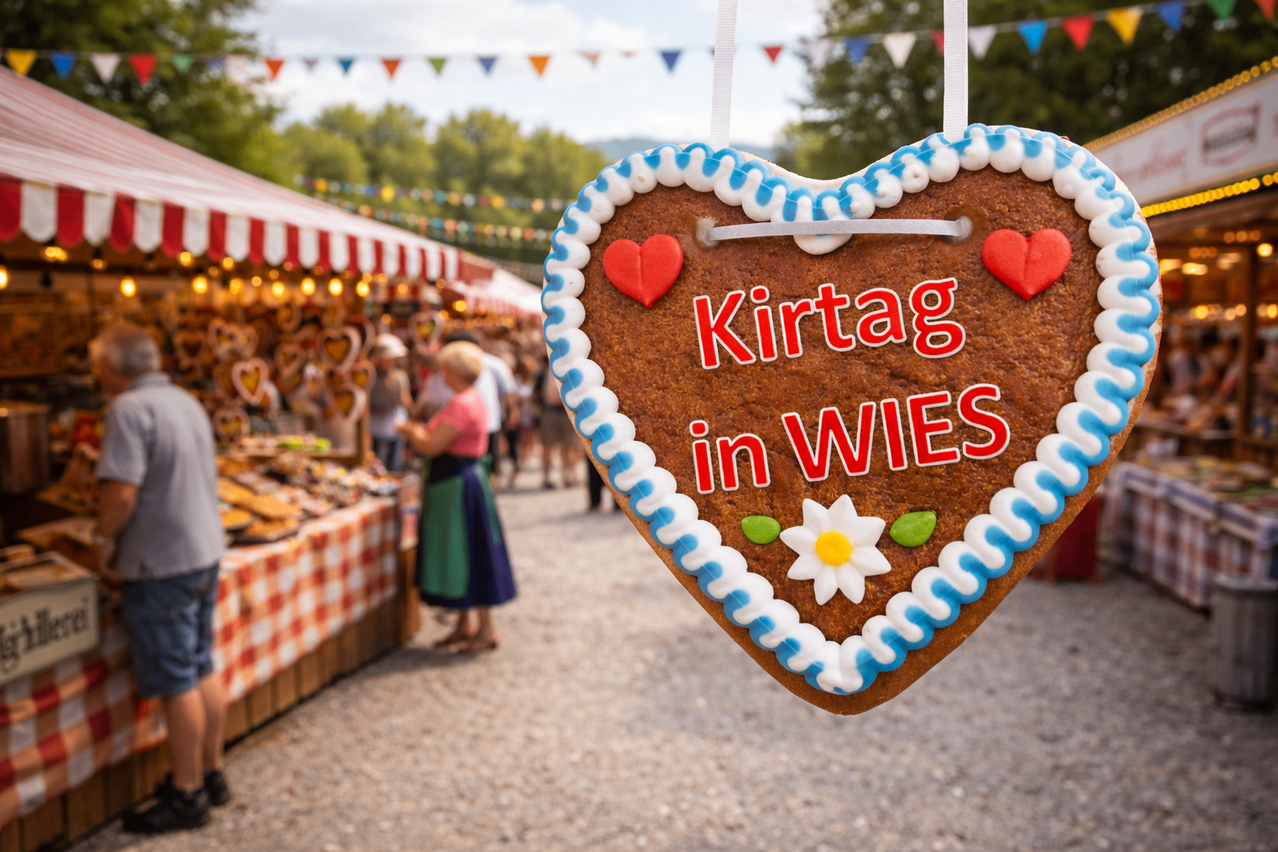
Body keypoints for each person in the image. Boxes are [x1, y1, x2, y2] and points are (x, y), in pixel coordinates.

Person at [90, 323, 229, 833]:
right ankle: (212, 773)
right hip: (202, 551)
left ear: (112, 367)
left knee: (177, 681)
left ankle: (188, 794)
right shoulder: (184, 400)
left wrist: (103, 539)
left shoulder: (127, 409)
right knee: (200, 664)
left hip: (161, 562)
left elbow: (121, 495)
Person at [398, 341, 516, 652]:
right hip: (457, 482)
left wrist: (412, 433)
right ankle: (467, 624)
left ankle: (484, 629)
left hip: (456, 485)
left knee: (467, 553)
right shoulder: (468, 400)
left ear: (453, 371)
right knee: (460, 554)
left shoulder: (463, 404)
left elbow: (432, 445)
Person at [368, 333, 413, 471]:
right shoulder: (370, 375)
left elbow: (405, 400)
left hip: (394, 425)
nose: (392, 361)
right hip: (374, 427)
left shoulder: (398, 376)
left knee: (393, 462)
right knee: (375, 463)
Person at [534, 362, 582, 489]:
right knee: (547, 447)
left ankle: (568, 475)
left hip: (566, 413)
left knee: (568, 446)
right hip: (549, 412)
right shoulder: (542, 373)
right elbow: (536, 394)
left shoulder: (571, 373)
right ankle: (547, 476)